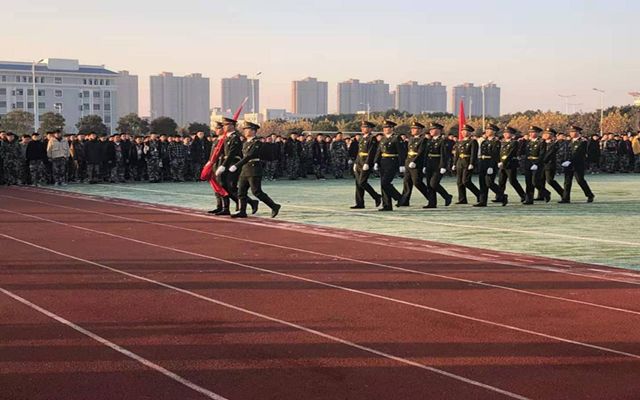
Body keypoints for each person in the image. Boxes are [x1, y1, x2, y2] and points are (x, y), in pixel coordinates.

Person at [229, 122, 281, 219]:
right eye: (244, 129)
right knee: (241, 192)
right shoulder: (245, 143)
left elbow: (250, 156)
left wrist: (236, 165)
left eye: (247, 129)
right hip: (245, 169)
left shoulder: (257, 143)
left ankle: (274, 206)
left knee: (256, 191)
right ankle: (242, 211)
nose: (245, 131)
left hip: (254, 169)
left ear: (253, 131)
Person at [215, 117, 258, 215]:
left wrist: (223, 165)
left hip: (233, 164)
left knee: (231, 187)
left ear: (231, 125)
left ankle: (248, 203)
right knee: (224, 186)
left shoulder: (235, 137)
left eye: (225, 125)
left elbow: (232, 153)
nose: (224, 127)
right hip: (226, 163)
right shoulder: (227, 137)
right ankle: (229, 207)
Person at [374, 120, 406, 211]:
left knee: (385, 183)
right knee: (383, 184)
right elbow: (379, 151)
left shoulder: (396, 138)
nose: (385, 129)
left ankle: (399, 197)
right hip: (383, 162)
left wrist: (402, 164)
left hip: (392, 162)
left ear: (392, 128)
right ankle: (387, 205)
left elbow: (401, 152)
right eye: (384, 128)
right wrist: (376, 162)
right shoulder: (383, 138)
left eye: (387, 127)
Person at [559, 125, 595, 204]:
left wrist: (570, 161)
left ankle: (589, 195)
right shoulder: (568, 142)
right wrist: (564, 160)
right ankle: (566, 198)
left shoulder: (583, 142)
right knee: (567, 181)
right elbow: (566, 152)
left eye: (574, 132)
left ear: (578, 132)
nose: (572, 133)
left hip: (577, 164)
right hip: (568, 164)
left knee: (580, 180)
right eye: (571, 132)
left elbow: (579, 153)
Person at [351, 121, 382, 209]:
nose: (363, 129)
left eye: (365, 127)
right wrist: (356, 162)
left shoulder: (372, 138)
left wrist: (368, 163)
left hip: (366, 162)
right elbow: (359, 151)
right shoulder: (361, 138)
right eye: (363, 127)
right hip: (359, 161)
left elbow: (371, 152)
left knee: (362, 182)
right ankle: (360, 203)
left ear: (370, 129)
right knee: (358, 183)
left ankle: (376, 196)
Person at [398, 121, 429, 207]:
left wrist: (414, 161)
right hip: (408, 161)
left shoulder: (423, 140)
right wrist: (405, 162)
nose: (413, 130)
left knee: (417, 182)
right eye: (412, 129)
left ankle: (430, 198)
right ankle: (404, 201)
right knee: (406, 182)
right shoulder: (411, 139)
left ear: (420, 130)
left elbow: (421, 152)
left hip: (416, 163)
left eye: (415, 129)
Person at [475, 124, 506, 207]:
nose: (487, 131)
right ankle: (483, 201)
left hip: (490, 163)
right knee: (482, 183)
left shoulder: (496, 142)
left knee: (489, 183)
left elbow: (495, 155)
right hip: (482, 162)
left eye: (490, 130)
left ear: (494, 132)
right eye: (487, 130)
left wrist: (491, 166)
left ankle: (502, 195)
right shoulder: (484, 142)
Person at [422, 122, 452, 208]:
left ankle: (447, 196)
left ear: (439, 130)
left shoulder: (443, 141)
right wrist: (424, 165)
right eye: (430, 129)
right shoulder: (430, 141)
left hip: (438, 165)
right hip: (429, 164)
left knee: (433, 183)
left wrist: (443, 166)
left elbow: (444, 154)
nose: (431, 131)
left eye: (433, 129)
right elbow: (426, 154)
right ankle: (432, 203)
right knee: (429, 184)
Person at [497, 126, 526, 203]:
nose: (505, 134)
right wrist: (499, 161)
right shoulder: (502, 142)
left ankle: (523, 195)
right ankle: (500, 196)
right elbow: (499, 153)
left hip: (510, 164)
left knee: (512, 181)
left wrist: (503, 162)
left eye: (508, 133)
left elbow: (511, 154)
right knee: (501, 181)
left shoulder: (514, 142)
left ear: (512, 134)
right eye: (505, 133)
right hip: (502, 164)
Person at [453, 124, 480, 205]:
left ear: (470, 132)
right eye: (463, 131)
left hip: (467, 162)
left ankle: (478, 194)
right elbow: (457, 154)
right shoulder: (459, 141)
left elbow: (473, 153)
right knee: (459, 182)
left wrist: (472, 163)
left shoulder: (473, 141)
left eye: (466, 131)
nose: (464, 132)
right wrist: (454, 163)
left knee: (466, 181)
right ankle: (462, 199)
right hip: (459, 162)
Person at [523, 126, 550, 204]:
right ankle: (529, 199)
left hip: (537, 163)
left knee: (535, 182)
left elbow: (542, 154)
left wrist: (537, 163)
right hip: (528, 162)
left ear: (537, 133)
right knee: (528, 182)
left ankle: (545, 192)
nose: (531, 134)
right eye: (530, 132)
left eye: (533, 132)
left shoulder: (541, 142)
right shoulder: (528, 142)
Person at [541, 127, 564, 199]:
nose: (545, 135)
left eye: (547, 134)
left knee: (550, 180)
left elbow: (549, 154)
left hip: (549, 164)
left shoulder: (554, 144)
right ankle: (541, 195)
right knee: (540, 179)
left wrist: (541, 160)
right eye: (544, 133)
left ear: (552, 135)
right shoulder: (542, 143)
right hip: (541, 164)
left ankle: (562, 192)